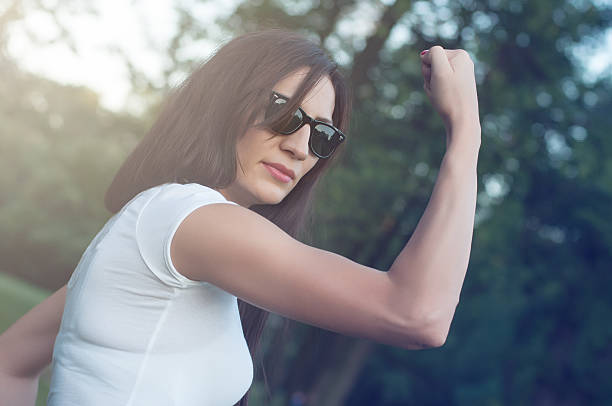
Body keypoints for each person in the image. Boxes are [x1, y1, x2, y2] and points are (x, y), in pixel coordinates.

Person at [0, 28, 481, 405]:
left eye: (323, 135)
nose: (298, 146)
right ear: (227, 100)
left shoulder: (166, 234)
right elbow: (418, 315)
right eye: (284, 112)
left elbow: (10, 361)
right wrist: (466, 135)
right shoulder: (189, 218)